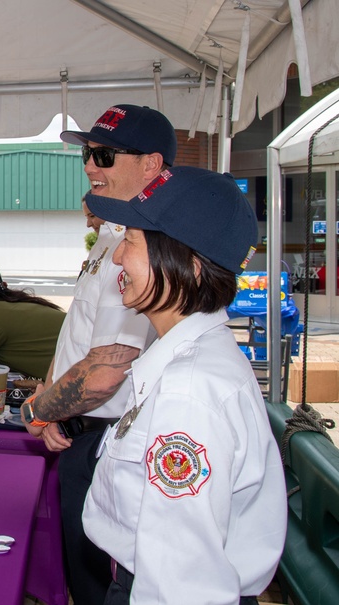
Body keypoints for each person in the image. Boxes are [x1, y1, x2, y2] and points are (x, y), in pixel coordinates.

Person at [82, 166, 286, 604]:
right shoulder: (187, 362)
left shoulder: (189, 393)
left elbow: (183, 581)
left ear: (188, 264)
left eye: (131, 242)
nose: (117, 258)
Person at [19, 104, 176, 605]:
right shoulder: (112, 234)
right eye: (88, 154)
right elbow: (77, 335)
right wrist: (47, 390)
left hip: (106, 442)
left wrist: (37, 411)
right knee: (82, 577)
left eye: (104, 155)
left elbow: (108, 368)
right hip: (81, 431)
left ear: (150, 166)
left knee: (99, 585)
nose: (90, 165)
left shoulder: (146, 247)